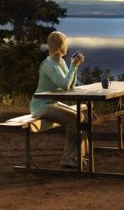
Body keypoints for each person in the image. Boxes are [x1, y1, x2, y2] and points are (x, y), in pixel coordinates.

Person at [29, 31, 89, 168]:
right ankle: (68, 158)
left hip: (51, 103)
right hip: (41, 105)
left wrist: (75, 67)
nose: (67, 46)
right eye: (65, 43)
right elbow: (64, 85)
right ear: (59, 47)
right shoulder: (49, 64)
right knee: (74, 120)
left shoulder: (60, 61)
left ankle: (81, 156)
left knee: (80, 116)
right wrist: (73, 66)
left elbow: (70, 85)